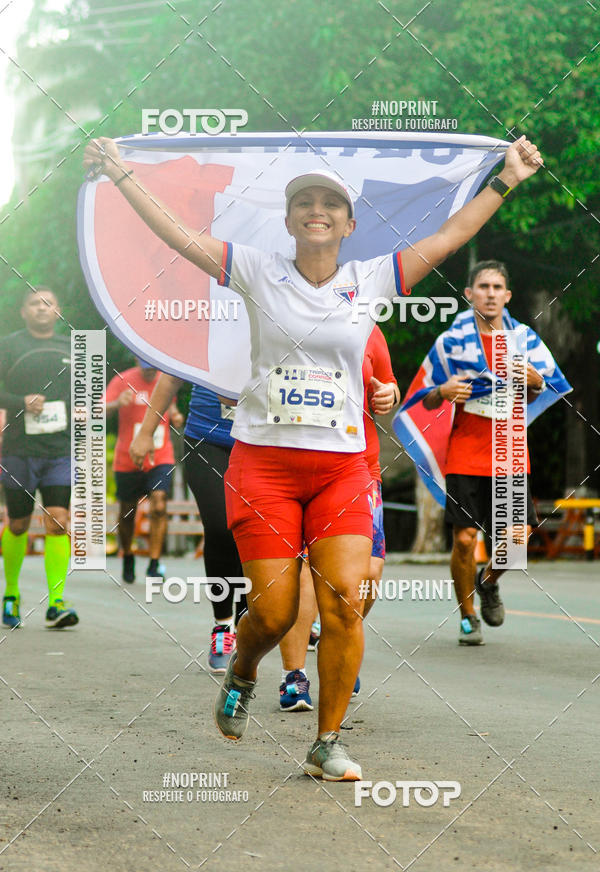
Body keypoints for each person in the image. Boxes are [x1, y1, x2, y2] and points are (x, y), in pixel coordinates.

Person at [84, 133, 543, 780]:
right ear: (290, 218)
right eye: (305, 201)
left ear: (350, 223)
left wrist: (508, 178)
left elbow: (448, 237)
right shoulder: (252, 267)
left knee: (344, 602)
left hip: (342, 470)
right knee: (271, 612)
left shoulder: (372, 277)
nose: (317, 209)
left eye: (330, 201)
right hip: (264, 466)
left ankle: (328, 739)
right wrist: (122, 175)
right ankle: (244, 667)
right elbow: (178, 235)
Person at [416, 260, 571, 644]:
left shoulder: (526, 341)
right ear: (469, 294)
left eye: (497, 287)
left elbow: (548, 387)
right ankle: (468, 615)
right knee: (465, 539)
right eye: (482, 286)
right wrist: (443, 391)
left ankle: (487, 582)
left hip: (510, 450)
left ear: (507, 295)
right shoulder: (451, 342)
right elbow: (425, 397)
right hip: (465, 450)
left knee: (517, 542)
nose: (490, 293)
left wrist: (535, 380)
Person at [278, 325, 400, 711]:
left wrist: (388, 394)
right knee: (304, 574)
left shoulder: (369, 328)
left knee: (370, 573)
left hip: (359, 466)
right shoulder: (284, 317)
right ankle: (294, 677)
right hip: (297, 466)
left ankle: (336, 637)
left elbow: (389, 383)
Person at [130, 377, 248, 673]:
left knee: (254, 534)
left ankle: (248, 625)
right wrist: (146, 431)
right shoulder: (208, 327)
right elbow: (170, 377)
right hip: (208, 440)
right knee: (222, 528)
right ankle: (223, 626)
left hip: (264, 440)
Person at [0, 287, 77, 629]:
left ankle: (56, 602)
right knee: (18, 522)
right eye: (34, 303)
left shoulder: (71, 346)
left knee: (59, 520)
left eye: (48, 302)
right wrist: (19, 401)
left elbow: (86, 390)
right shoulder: (9, 345)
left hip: (59, 449)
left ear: (58, 310)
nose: (42, 308)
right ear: (23, 312)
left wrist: (83, 409)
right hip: (19, 449)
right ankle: (12, 594)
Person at [105, 358, 183, 583]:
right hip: (128, 457)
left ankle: (154, 562)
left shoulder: (166, 378)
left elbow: (170, 404)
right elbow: (99, 407)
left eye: (154, 368)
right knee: (127, 510)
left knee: (159, 504)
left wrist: (176, 415)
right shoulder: (122, 380)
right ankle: (128, 554)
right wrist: (117, 403)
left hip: (160, 456)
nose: (150, 373)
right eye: (146, 368)